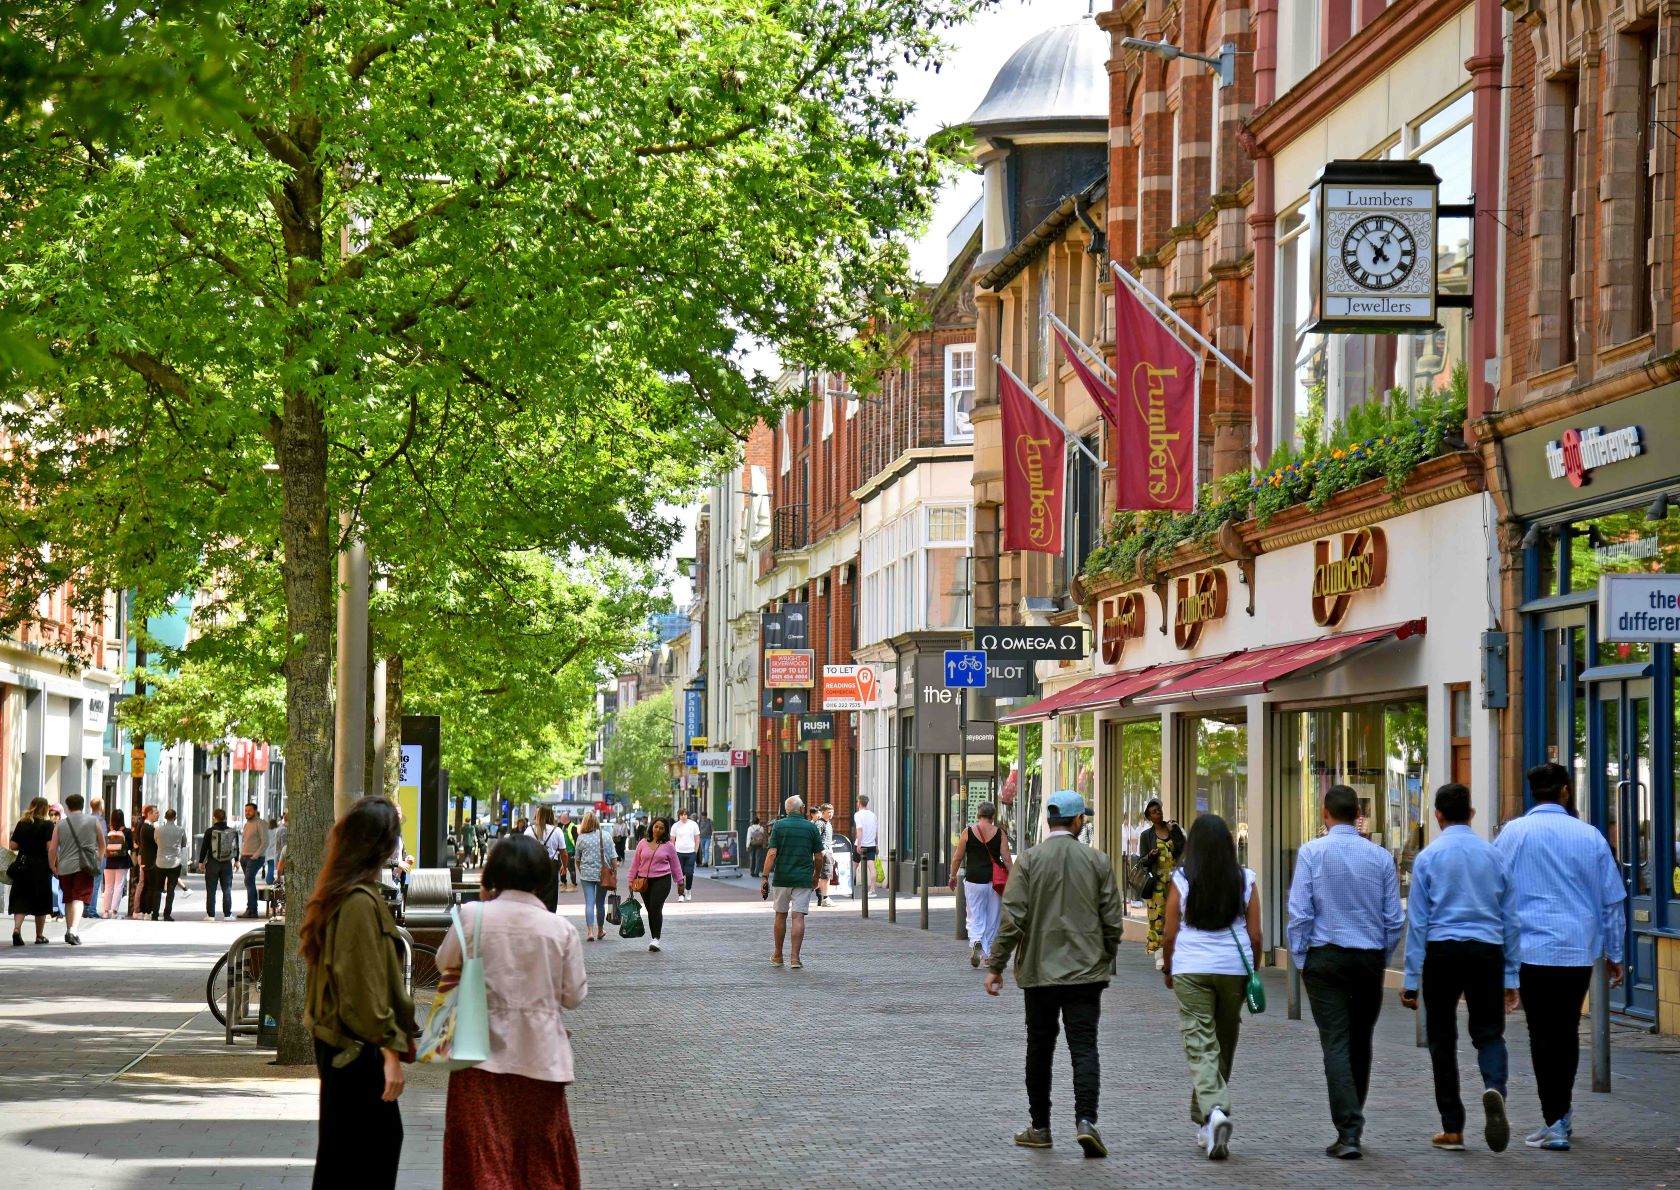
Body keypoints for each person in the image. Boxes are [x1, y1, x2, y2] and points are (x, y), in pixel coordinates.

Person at [439, 833, 587, 1188]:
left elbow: (446, 962)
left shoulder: (473, 915)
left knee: (484, 1156)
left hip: (479, 1059)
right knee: (539, 1159)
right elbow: (573, 996)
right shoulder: (560, 930)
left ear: (493, 873)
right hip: (541, 1061)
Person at [984, 789, 1123, 1159]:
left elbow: (1013, 918)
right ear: (1078, 821)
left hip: (1039, 974)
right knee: (1084, 1047)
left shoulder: (1029, 861)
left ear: (1049, 821)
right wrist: (1105, 955)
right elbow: (1112, 919)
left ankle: (1040, 1127)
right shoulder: (1097, 861)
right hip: (1086, 974)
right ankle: (1086, 1121)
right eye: (1084, 818)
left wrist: (996, 965)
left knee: (1040, 1048)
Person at [1494, 762, 1626, 1152]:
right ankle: (1560, 1116)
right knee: (1566, 1032)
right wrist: (1614, 953)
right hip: (1575, 950)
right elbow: (1612, 901)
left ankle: (1554, 1118)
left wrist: (1500, 961)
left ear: (1533, 791)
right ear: (1565, 791)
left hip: (1531, 951)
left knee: (1541, 1035)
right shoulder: (1590, 837)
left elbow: (1495, 896)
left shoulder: (1513, 835)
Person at [300, 797, 415, 1190]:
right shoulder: (358, 902)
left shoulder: (342, 893)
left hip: (342, 1046)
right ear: (379, 845)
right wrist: (389, 1053)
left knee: (343, 1155)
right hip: (357, 1050)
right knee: (369, 1153)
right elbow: (362, 992)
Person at [1400, 782, 1520, 1154]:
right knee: (1489, 1033)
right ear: (1471, 813)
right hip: (1487, 950)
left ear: (1437, 815)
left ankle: (1452, 1128)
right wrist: (1512, 975)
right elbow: (1510, 919)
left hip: (1442, 952)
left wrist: (1409, 979)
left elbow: (1418, 922)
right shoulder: (1494, 856)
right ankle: (1494, 1089)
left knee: (1442, 1039)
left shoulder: (1428, 858)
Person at [1287, 784, 1404, 1160]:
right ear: (1359, 814)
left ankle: (1348, 1130)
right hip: (1367, 959)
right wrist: (1381, 956)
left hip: (1325, 959)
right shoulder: (1381, 857)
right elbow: (1394, 919)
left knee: (1335, 1041)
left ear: (1325, 813)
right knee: (1360, 1039)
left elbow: (1300, 913)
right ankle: (1352, 1120)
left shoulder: (1312, 853)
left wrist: (1302, 959)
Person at [1161, 814, 1259, 1162]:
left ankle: (1215, 1110)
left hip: (1192, 967)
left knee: (1200, 1042)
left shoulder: (1182, 880)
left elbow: (1169, 933)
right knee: (1224, 1042)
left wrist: (1169, 967)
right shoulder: (1245, 879)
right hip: (1233, 967)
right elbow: (1256, 935)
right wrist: (1254, 969)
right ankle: (1206, 1122)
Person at [761, 795, 824, 970]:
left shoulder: (779, 826)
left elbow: (772, 853)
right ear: (802, 808)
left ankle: (778, 955)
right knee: (798, 917)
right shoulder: (811, 828)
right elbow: (819, 856)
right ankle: (795, 958)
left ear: (787, 810)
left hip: (782, 877)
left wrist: (765, 876)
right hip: (803, 878)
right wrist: (816, 876)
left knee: (780, 915)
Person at [948, 803, 1012, 969]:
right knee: (993, 918)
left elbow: (957, 857)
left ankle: (976, 941)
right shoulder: (1000, 833)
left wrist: (952, 876)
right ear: (993, 816)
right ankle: (988, 955)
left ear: (978, 815)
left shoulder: (968, 832)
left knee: (975, 915)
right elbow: (1006, 859)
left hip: (974, 880)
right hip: (994, 881)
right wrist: (1013, 878)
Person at [47, 792, 102, 945]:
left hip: (64, 867)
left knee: (69, 898)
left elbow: (52, 848)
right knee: (79, 897)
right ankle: (73, 930)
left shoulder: (61, 824)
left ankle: (69, 930)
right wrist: (98, 859)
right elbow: (102, 843)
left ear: (68, 807)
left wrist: (53, 865)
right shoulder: (93, 821)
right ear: (82, 805)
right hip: (84, 866)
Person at [1139, 798, 1187, 971]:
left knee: (1176, 915)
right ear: (1149, 817)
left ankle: (1175, 951)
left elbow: (1183, 850)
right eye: (1153, 811)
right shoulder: (1147, 836)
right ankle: (1159, 954)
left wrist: (1174, 832)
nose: (1158, 812)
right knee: (1157, 918)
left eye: (1158, 809)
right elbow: (1142, 861)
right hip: (1157, 882)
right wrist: (1150, 856)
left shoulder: (1173, 828)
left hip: (1175, 881)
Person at [627, 816, 685, 951]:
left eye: (662, 828)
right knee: (650, 909)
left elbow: (675, 865)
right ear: (652, 827)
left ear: (665, 830)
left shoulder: (668, 845)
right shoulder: (642, 843)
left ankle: (656, 939)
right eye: (656, 826)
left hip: (662, 880)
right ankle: (654, 937)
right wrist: (630, 880)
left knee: (655, 907)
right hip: (644, 882)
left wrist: (680, 882)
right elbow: (635, 864)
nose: (658, 829)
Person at [10, 797, 56, 946]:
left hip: (23, 865)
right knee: (41, 901)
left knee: (21, 899)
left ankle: (17, 929)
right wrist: (55, 865)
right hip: (41, 867)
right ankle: (39, 936)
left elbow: (13, 845)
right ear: (44, 809)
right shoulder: (48, 825)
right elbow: (50, 847)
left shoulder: (22, 823)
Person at [573, 811, 616, 942]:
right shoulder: (606, 836)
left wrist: (582, 870)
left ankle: (590, 931)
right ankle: (600, 930)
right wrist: (614, 871)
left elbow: (577, 859)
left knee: (589, 903)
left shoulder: (581, 838)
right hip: (603, 875)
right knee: (600, 903)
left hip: (586, 874)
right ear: (597, 822)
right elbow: (613, 858)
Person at [200, 807, 238, 920]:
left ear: (214, 818)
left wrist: (201, 862)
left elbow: (204, 848)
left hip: (212, 863)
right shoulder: (232, 831)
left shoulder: (209, 831)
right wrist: (236, 860)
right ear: (225, 818)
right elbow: (236, 847)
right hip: (226, 863)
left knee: (211, 890)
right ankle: (227, 914)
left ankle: (211, 915)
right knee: (227, 890)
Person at [153, 808, 188, 921]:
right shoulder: (180, 830)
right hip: (174, 862)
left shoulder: (158, 830)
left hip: (160, 862)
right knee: (171, 889)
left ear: (165, 817)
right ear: (175, 817)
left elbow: (156, 841)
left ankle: (155, 914)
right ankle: (167, 914)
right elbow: (183, 843)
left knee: (157, 889)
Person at [528, 807, 564, 912]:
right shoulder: (557, 831)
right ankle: (549, 917)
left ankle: (536, 914)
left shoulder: (529, 830)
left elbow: (524, 849)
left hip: (534, 865)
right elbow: (563, 852)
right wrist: (565, 866)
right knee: (551, 895)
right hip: (552, 865)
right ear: (551, 815)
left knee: (535, 892)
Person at [101, 807, 135, 920]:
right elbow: (130, 846)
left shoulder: (106, 829)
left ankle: (105, 911)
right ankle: (115, 912)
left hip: (108, 861)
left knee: (108, 886)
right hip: (122, 861)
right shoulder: (126, 831)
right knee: (119, 886)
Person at [238, 802, 268, 918]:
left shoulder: (260, 823)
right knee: (249, 882)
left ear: (255, 811)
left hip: (255, 858)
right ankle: (251, 909)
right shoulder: (246, 824)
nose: (247, 813)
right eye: (246, 811)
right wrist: (242, 854)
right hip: (245, 857)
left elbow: (265, 841)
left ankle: (251, 910)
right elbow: (245, 840)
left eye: (249, 810)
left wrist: (256, 855)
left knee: (248, 881)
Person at [137, 805, 161, 920]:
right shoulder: (147, 828)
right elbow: (158, 841)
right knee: (150, 886)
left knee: (147, 886)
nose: (158, 814)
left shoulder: (148, 827)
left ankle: (143, 910)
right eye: (156, 813)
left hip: (148, 860)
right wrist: (157, 829)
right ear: (149, 814)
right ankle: (147, 911)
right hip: (150, 861)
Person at [670, 808, 700, 901]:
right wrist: (673, 852)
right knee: (680, 874)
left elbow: (697, 838)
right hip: (679, 852)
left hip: (691, 852)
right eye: (681, 815)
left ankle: (688, 890)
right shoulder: (675, 826)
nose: (683, 816)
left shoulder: (693, 824)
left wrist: (695, 850)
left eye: (685, 814)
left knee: (689, 873)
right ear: (679, 816)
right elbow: (672, 840)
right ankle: (681, 894)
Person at [853, 794, 879, 897]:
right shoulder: (873, 815)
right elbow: (875, 831)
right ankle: (872, 890)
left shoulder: (858, 814)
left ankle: (850, 889)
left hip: (861, 844)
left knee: (854, 866)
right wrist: (876, 844)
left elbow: (859, 829)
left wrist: (859, 844)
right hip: (871, 844)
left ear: (859, 803)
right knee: (871, 867)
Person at [87, 797, 108, 919]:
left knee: (87, 881)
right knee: (95, 883)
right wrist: (102, 855)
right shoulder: (100, 820)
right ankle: (92, 910)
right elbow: (103, 839)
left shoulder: (87, 819)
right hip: (97, 854)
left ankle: (85, 908)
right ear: (100, 807)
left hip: (87, 853)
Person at [264, 816, 281, 884]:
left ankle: (271, 878)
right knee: (271, 867)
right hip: (274, 851)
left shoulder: (267, 831)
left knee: (270, 866)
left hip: (268, 851)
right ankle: (269, 879)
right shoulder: (277, 830)